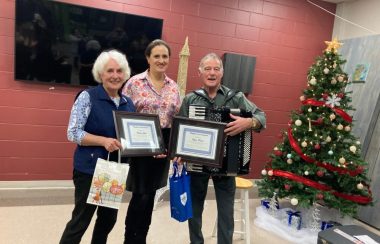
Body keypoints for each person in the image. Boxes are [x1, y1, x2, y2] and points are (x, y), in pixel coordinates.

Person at [178, 53, 266, 244]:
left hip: (227, 165)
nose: (211, 73)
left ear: (222, 73)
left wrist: (248, 122)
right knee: (194, 211)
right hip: (197, 164)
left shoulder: (236, 98)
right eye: (207, 69)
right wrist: (179, 153)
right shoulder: (190, 100)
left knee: (226, 213)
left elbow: (261, 117)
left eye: (216, 69)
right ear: (200, 72)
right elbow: (181, 131)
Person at [60, 49, 136, 244]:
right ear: (100, 74)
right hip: (90, 170)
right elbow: (73, 132)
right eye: (110, 71)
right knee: (81, 221)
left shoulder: (128, 104)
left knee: (107, 220)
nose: (115, 75)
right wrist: (103, 141)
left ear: (125, 74)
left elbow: (132, 136)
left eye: (120, 71)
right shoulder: (87, 97)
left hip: (113, 172)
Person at [122, 39, 181, 244]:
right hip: (140, 143)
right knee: (140, 195)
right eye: (156, 56)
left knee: (150, 196)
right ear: (148, 58)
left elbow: (177, 119)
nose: (161, 60)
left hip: (163, 145)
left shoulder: (174, 87)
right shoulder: (134, 83)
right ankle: (130, 239)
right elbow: (123, 113)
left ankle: (142, 238)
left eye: (165, 56)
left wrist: (174, 149)